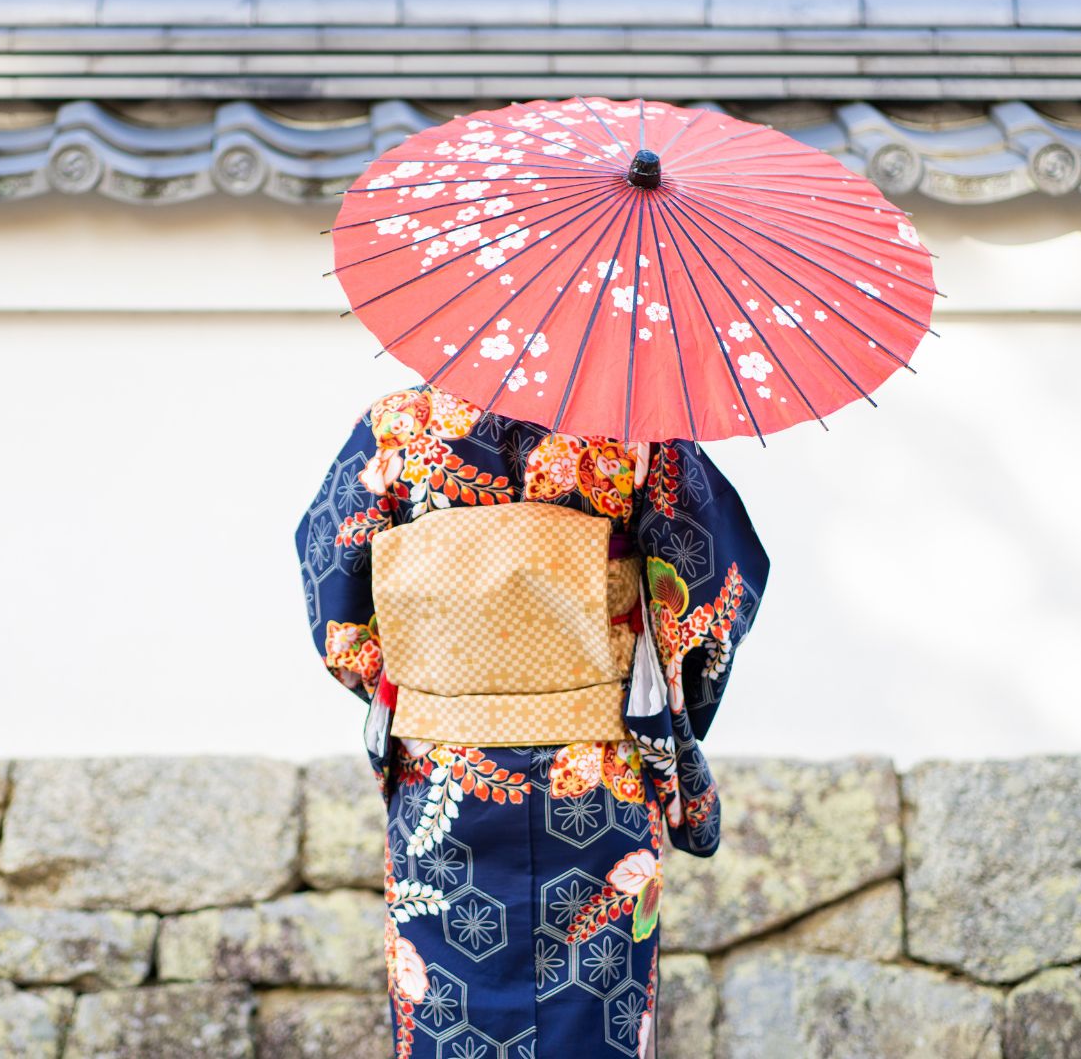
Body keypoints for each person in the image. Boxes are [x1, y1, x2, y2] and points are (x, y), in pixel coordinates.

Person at [295, 382, 769, 1058]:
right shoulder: (634, 424)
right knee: (596, 1008)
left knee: (445, 1007)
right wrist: (670, 709)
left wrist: (440, 690)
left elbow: (339, 606)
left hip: (444, 771)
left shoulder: (398, 426)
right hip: (595, 775)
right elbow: (710, 595)